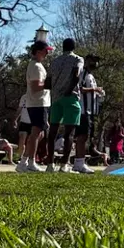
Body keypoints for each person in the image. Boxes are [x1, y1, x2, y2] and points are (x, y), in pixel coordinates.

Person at [43, 38, 84, 173]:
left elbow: (47, 82)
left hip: (55, 99)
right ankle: (64, 164)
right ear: (73, 47)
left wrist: (56, 89)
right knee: (69, 133)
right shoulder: (77, 59)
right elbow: (76, 75)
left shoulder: (54, 61)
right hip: (70, 97)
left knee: (53, 131)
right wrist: (69, 89)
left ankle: (50, 163)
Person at [17, 40, 52, 173]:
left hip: (40, 103)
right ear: (38, 52)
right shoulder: (36, 67)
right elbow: (36, 86)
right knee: (36, 133)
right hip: (38, 103)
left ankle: (25, 160)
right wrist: (50, 83)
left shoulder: (37, 65)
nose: (47, 53)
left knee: (39, 134)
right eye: (45, 51)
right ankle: (29, 161)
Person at [69, 53, 105, 174]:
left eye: (96, 61)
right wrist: (95, 89)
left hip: (91, 111)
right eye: (93, 60)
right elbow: (80, 89)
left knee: (86, 137)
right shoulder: (83, 74)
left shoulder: (91, 76)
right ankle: (79, 163)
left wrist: (99, 94)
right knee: (82, 137)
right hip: (83, 110)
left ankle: (80, 161)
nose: (95, 63)